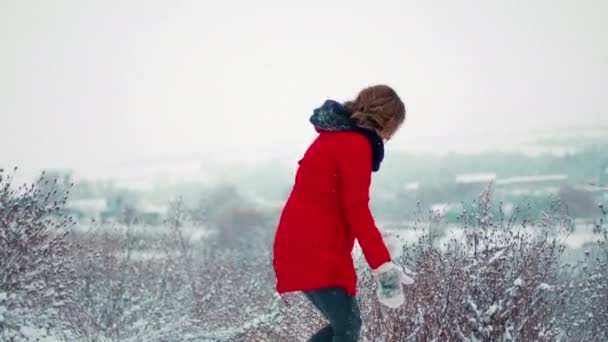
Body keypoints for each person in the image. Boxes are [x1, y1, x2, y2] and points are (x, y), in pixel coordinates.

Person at [272, 85, 411, 342]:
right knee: (348, 325)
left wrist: (379, 248)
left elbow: (334, 204)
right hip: (314, 249)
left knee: (346, 325)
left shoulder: (335, 137)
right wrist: (382, 267)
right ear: (388, 121)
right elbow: (356, 210)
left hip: (302, 244)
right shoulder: (355, 144)